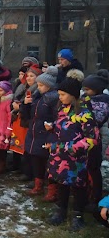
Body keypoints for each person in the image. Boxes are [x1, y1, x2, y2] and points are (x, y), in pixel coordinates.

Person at [45, 70, 97, 231]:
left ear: (73, 95)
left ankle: (78, 214)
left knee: (78, 186)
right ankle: (61, 210)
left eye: (62, 94)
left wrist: (69, 147)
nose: (59, 97)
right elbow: (63, 128)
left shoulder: (84, 114)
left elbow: (92, 139)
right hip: (59, 156)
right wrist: (52, 127)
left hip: (76, 158)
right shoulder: (62, 110)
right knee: (62, 183)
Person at [22, 66, 58, 200]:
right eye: (39, 84)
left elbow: (57, 117)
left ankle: (52, 190)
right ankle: (38, 185)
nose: (39, 87)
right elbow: (27, 115)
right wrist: (25, 104)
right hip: (34, 131)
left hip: (47, 133)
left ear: (49, 86)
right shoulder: (37, 97)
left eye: (42, 85)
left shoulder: (53, 99)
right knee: (36, 158)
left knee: (49, 163)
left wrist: (52, 126)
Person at [82, 69, 109, 209]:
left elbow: (96, 119)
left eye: (88, 89)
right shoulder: (89, 99)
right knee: (86, 167)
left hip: (95, 140)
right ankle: (86, 193)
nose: (85, 92)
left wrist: (85, 107)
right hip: (85, 138)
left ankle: (95, 196)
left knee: (93, 168)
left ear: (96, 89)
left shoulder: (102, 102)